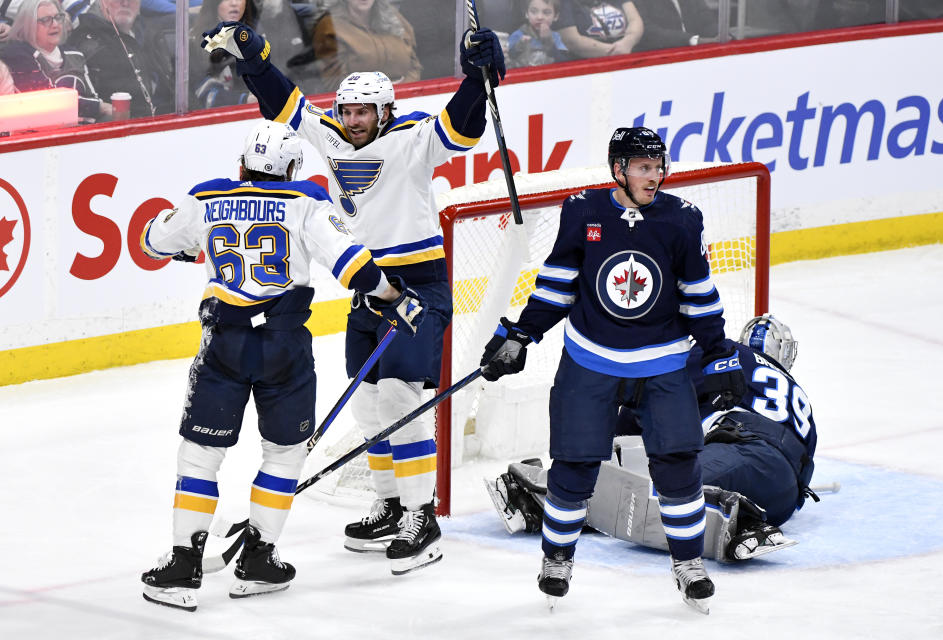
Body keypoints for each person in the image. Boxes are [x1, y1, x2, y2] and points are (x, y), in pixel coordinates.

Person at [198, 18, 504, 574]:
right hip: (368, 293)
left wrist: (476, 78)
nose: (353, 120)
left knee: (401, 403)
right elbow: (284, 104)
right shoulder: (333, 135)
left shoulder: (412, 139)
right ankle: (389, 503)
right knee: (368, 409)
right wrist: (251, 59)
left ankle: (421, 515)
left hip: (417, 287)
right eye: (347, 111)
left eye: (364, 112)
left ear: (384, 111)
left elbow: (461, 128)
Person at [138, 120, 427, 612]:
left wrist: (195, 242)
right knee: (284, 454)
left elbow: (153, 242)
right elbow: (355, 267)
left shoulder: (207, 197)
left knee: (200, 457)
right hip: (283, 346)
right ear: (292, 167)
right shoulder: (307, 199)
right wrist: (395, 295)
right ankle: (259, 560)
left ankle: (183, 564)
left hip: (222, 345)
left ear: (242, 164)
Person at [478, 126, 745, 613]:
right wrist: (523, 333)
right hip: (590, 357)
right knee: (575, 466)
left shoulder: (683, 219)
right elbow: (558, 283)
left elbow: (698, 295)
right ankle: (557, 557)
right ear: (618, 169)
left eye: (659, 166)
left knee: (678, 465)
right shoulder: (583, 209)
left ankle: (687, 563)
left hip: (662, 359)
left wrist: (717, 349)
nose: (655, 176)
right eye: (644, 167)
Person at [487, 314, 818, 563]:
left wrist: (607, 452)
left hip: (742, 450)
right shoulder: (800, 396)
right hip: (783, 498)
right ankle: (744, 518)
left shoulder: (728, 356)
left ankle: (541, 499)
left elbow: (652, 385)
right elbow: (802, 483)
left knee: (665, 491)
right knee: (672, 494)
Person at [0, 0, 111, 121]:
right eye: (46, 20)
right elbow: (46, 100)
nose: (55, 24)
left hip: (85, 131)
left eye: (58, 17)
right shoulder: (16, 54)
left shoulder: (75, 54)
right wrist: (100, 107)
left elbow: (92, 97)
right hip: (42, 133)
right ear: (28, 24)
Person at [67, 0, 173, 118]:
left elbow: (171, 88)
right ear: (102, 2)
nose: (125, 2)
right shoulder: (89, 43)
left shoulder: (151, 34)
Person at [301, 0, 420, 93]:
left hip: (407, 99)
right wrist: (382, 93)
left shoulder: (394, 18)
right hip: (360, 108)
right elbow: (334, 82)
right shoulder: (328, 26)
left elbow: (414, 64)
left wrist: (404, 90)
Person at [189, 0, 259, 108]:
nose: (234, 3)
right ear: (214, 4)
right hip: (222, 119)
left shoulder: (258, 35)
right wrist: (245, 100)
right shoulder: (196, 42)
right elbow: (202, 92)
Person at [554, 0, 644, 58]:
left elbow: (635, 20)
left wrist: (629, 42)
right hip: (589, 68)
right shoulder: (563, 3)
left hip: (630, 58)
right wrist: (615, 51)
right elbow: (572, 41)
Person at [507, 0, 571, 68]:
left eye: (546, 13)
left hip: (548, 76)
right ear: (527, 13)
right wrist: (518, 47)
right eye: (534, 12)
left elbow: (564, 62)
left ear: (555, 16)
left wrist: (550, 45)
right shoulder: (518, 35)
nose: (539, 17)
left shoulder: (555, 36)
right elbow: (507, 59)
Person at [632, 0, 717, 51]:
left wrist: (723, 33)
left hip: (697, 58)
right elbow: (647, 31)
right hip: (657, 64)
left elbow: (707, 22)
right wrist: (692, 40)